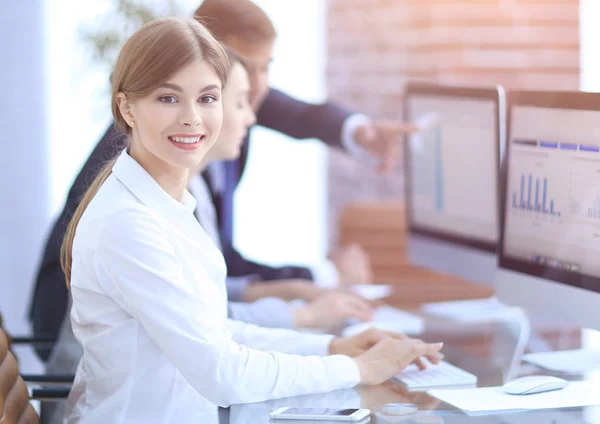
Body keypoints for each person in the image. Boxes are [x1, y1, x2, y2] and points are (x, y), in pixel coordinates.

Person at [61, 17, 442, 423]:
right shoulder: (129, 223)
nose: (192, 118)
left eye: (208, 98)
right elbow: (220, 372)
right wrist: (358, 369)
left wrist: (332, 348)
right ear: (127, 108)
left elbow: (216, 333)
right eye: (168, 99)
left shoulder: (170, 203)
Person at [28, 0, 411, 349]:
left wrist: (359, 131)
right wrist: (325, 339)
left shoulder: (213, 124)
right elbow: (211, 348)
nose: (255, 98)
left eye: (266, 68)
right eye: (244, 71)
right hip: (79, 333)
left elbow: (210, 291)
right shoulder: (150, 151)